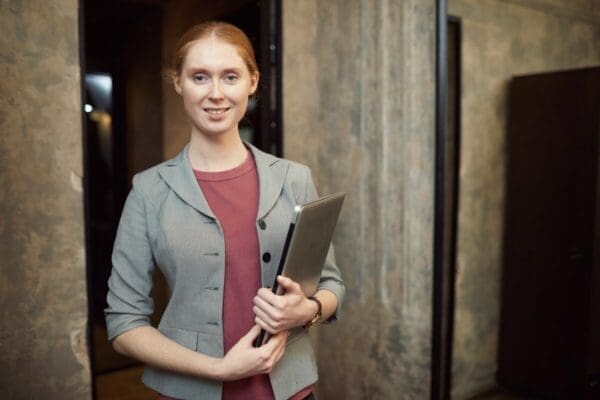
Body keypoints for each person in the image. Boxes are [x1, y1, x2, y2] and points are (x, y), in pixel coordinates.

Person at [104, 21, 345, 400]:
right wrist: (219, 369)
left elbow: (332, 286)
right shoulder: (148, 191)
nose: (216, 93)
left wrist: (306, 311)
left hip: (292, 392)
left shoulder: (294, 178)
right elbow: (123, 324)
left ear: (252, 82)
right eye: (200, 77)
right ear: (179, 83)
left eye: (230, 76)